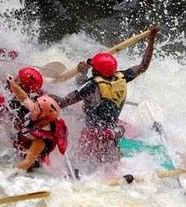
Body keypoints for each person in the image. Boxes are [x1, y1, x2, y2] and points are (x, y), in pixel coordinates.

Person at [58, 23, 160, 171]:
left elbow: (64, 102)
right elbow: (143, 65)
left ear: (96, 72)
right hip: (113, 131)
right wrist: (152, 38)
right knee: (109, 167)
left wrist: (43, 97)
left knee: (83, 166)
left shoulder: (91, 85)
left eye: (93, 68)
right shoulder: (122, 77)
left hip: (93, 134)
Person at [6, 72, 67, 171]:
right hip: (21, 145)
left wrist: (4, 176)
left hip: (31, 165)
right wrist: (13, 84)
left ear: (43, 117)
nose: (33, 107)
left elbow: (26, 163)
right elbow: (24, 97)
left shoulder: (40, 141)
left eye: (36, 108)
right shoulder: (38, 112)